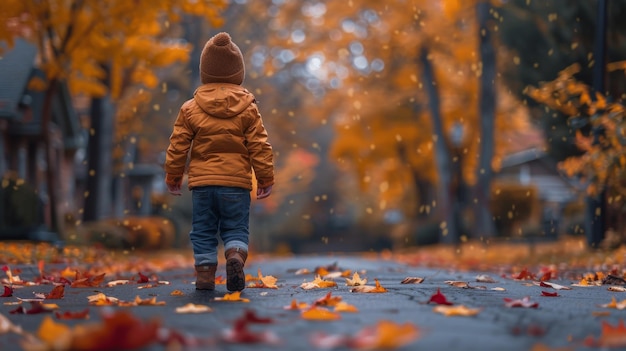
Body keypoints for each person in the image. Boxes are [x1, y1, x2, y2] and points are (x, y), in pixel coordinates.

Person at [164, 32, 274, 292]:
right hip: (235, 184)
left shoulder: (190, 108)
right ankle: (235, 255)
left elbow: (178, 144)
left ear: (205, 71)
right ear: (238, 72)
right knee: (235, 228)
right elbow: (260, 145)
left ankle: (204, 277)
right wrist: (266, 177)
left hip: (202, 184)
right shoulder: (248, 108)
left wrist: (173, 175)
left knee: (203, 230)